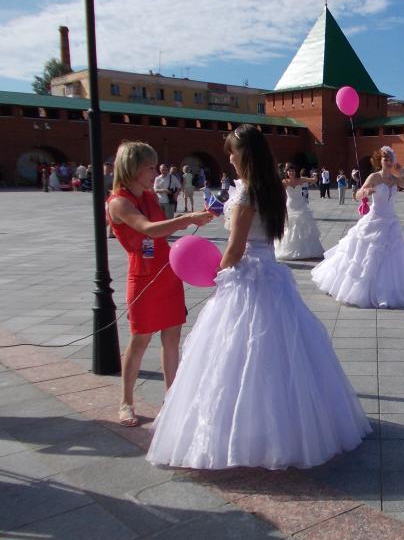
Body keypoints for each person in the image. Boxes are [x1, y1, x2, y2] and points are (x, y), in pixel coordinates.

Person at [146, 125, 370, 469]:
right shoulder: (270, 188)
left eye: (233, 152)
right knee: (278, 354)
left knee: (238, 354)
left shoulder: (247, 193)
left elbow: (235, 249)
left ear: (245, 154)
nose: (230, 158)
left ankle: (243, 433)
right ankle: (286, 425)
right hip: (271, 273)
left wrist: (218, 274)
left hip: (246, 276)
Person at [106, 142, 213, 427]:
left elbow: (161, 231)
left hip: (167, 270)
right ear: (132, 167)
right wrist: (187, 219)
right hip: (143, 275)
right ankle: (126, 401)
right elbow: (148, 229)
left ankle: (171, 398)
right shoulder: (119, 202)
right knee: (140, 338)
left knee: (172, 337)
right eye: (150, 167)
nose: (155, 173)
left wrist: (191, 218)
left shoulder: (149, 196)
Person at [311, 146, 404, 309]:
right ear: (380, 161)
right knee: (367, 255)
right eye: (385, 159)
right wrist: (365, 192)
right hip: (374, 220)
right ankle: (360, 288)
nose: (388, 162)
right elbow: (356, 194)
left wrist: (403, 173)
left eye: (390, 159)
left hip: (391, 222)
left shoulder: (395, 178)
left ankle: (386, 290)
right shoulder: (374, 177)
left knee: (391, 258)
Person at [275, 163, 324, 261]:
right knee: (290, 227)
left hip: (301, 205)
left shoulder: (300, 180)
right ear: (286, 172)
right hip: (290, 205)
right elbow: (279, 193)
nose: (291, 172)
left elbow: (313, 180)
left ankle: (307, 251)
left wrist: (315, 175)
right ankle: (290, 250)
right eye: (289, 171)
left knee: (304, 226)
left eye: (293, 170)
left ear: (295, 171)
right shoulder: (284, 182)